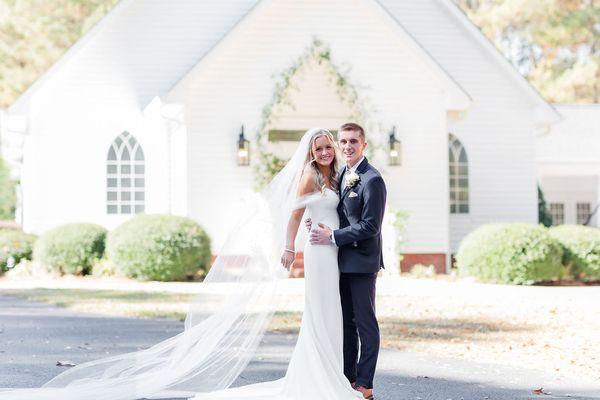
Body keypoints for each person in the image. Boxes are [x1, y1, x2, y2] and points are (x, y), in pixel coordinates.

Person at [0, 127, 368, 400]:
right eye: (318, 147)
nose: (323, 151)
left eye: (327, 146)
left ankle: (331, 373)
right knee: (320, 312)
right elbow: (292, 216)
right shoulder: (308, 176)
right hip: (319, 253)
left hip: (333, 250)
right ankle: (318, 378)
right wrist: (289, 248)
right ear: (310, 152)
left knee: (332, 313)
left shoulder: (334, 175)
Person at [307, 122, 387, 400]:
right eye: (343, 142)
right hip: (339, 260)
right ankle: (348, 378)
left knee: (365, 323)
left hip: (362, 261)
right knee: (347, 324)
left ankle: (365, 384)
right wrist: (315, 221)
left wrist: (332, 235)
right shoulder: (343, 174)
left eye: (353, 141)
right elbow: (336, 210)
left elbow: (370, 226)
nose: (347, 146)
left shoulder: (372, 179)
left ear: (363, 144)